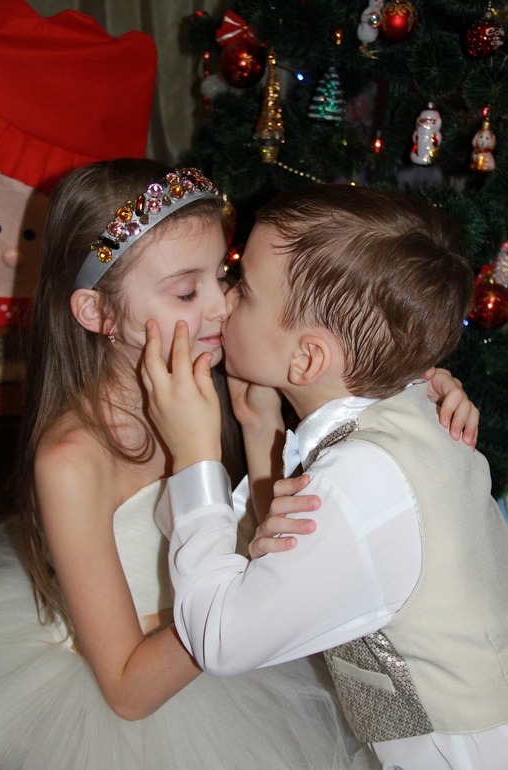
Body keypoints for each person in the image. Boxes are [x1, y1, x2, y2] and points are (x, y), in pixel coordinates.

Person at [141, 182, 508, 770]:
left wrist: (195, 457)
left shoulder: (358, 484)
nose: (224, 302)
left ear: (307, 359)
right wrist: (259, 426)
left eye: (244, 290)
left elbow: (219, 639)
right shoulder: (408, 402)